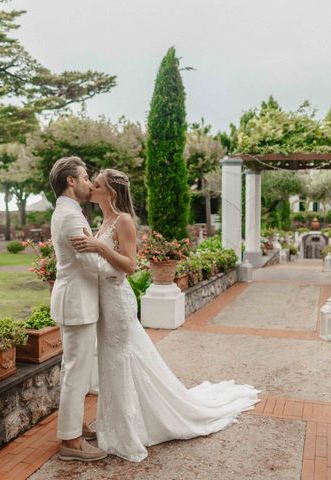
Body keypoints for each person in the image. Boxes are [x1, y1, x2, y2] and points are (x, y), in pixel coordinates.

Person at [71, 168, 260, 462]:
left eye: (97, 185)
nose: (91, 188)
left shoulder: (124, 221)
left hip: (118, 302)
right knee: (113, 365)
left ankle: (126, 432)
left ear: (112, 192)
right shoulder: (103, 221)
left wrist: (96, 245)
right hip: (104, 302)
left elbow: (130, 266)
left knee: (119, 363)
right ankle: (118, 424)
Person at [48, 156, 119, 462]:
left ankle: (74, 426)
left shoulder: (68, 212)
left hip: (75, 299)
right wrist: (120, 269)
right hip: (77, 302)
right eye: (86, 177)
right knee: (76, 371)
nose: (90, 183)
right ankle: (71, 443)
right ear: (71, 181)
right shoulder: (73, 218)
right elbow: (90, 262)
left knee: (75, 369)